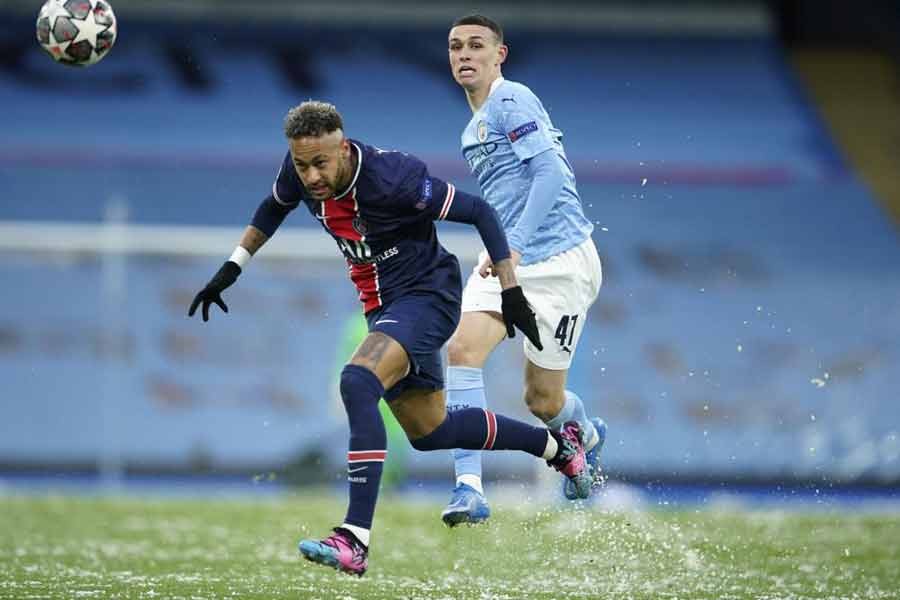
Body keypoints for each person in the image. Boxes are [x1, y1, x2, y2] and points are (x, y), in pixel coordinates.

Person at [188, 101, 593, 576]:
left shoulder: (393, 177)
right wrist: (231, 268)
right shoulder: (298, 169)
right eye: (303, 165)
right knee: (430, 431)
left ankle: (353, 538)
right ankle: (559, 450)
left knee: (358, 381)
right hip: (384, 308)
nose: (312, 176)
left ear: (343, 148)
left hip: (427, 297)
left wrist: (511, 291)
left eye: (321, 163)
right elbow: (273, 207)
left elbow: (480, 211)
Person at [441, 14, 608, 527]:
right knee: (462, 350)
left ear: (500, 55)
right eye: (454, 47)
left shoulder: (511, 99)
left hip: (559, 263)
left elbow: (552, 174)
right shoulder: (473, 126)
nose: (464, 54)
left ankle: (587, 436)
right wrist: (504, 249)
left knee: (542, 400)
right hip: (507, 260)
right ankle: (469, 488)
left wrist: (512, 244)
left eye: (475, 45)